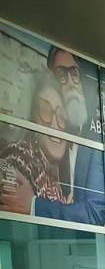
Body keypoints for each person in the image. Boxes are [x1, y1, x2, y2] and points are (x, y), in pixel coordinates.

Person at [0, 47, 105, 225]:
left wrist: (35, 206)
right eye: (61, 74)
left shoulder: (97, 142)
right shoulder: (22, 158)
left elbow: (94, 214)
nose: (69, 82)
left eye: (74, 73)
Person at [0, 70, 70, 205]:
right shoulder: (17, 159)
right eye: (45, 111)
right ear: (33, 120)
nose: (55, 124)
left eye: (61, 115)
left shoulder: (54, 176)